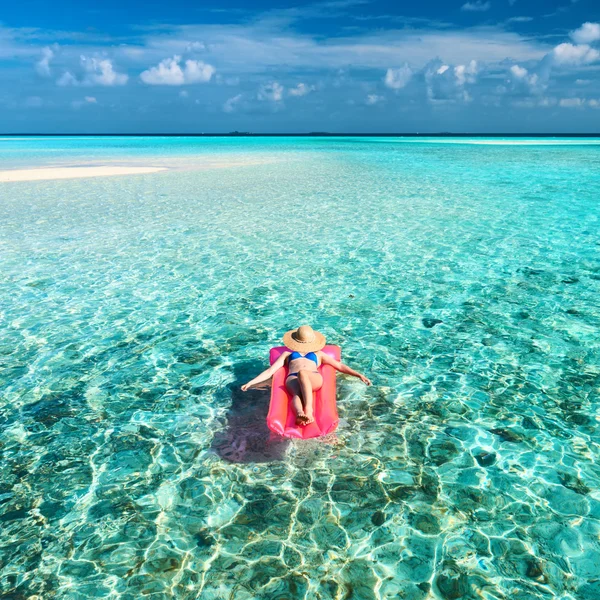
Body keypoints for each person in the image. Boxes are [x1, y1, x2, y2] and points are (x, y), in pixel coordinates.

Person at [241, 325, 371, 426]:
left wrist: (358, 375)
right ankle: (300, 414)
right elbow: (270, 371)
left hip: (313, 378)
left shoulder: (319, 354)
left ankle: (309, 411)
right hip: (293, 379)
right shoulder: (286, 354)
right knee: (296, 395)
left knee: (302, 373)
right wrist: (251, 382)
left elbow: (340, 366)